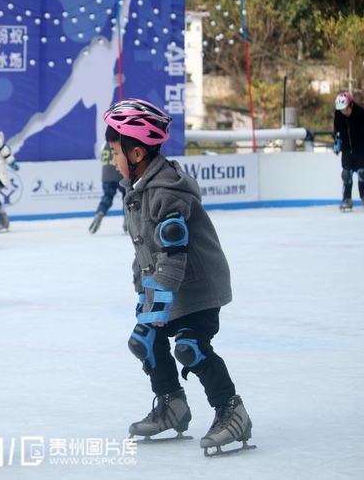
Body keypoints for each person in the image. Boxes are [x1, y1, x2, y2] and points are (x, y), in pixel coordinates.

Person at [103, 98, 254, 456]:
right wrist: (144, 295)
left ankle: (232, 411)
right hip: (167, 285)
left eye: (114, 152)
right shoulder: (137, 190)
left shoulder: (167, 193)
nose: (112, 160)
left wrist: (158, 302)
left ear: (136, 152)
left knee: (190, 347)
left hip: (199, 286)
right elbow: (144, 253)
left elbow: (173, 255)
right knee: (145, 342)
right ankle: (172, 404)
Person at [333, 92, 364, 211]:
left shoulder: (361, 113)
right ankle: (347, 199)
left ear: (351, 105)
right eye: (341, 110)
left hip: (361, 151)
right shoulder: (339, 114)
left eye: (345, 109)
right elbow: (337, 130)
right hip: (347, 151)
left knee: (363, 174)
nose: (343, 112)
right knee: (346, 174)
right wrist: (337, 143)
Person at [89, 141, 126, 234]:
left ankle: (100, 212)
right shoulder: (123, 141)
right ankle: (128, 219)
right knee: (127, 197)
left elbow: (102, 158)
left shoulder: (104, 143)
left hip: (106, 175)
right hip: (120, 173)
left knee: (107, 196)